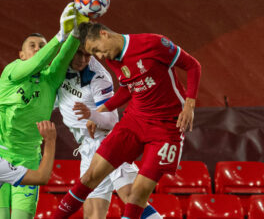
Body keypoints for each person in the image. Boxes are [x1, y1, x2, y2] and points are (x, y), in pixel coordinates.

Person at [54, 22, 201, 219]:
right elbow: (128, 87)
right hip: (134, 121)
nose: (99, 56)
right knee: (90, 177)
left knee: (136, 194)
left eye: (96, 50)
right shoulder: (113, 59)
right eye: (93, 53)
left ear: (104, 34)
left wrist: (190, 104)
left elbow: (193, 65)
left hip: (166, 127)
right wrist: (101, 109)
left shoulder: (153, 43)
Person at [0, 3, 89, 219]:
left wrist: (76, 31)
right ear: (22, 54)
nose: (37, 48)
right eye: (32, 45)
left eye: (41, 45)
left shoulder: (50, 80)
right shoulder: (12, 73)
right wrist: (59, 36)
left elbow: (62, 58)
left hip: (29, 162)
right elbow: (37, 61)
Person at [56, 48, 162, 219]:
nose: (83, 59)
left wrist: (91, 114)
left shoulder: (98, 76)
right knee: (93, 214)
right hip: (88, 147)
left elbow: (111, 120)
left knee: (131, 197)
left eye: (88, 54)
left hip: (109, 141)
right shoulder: (58, 69)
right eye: (78, 53)